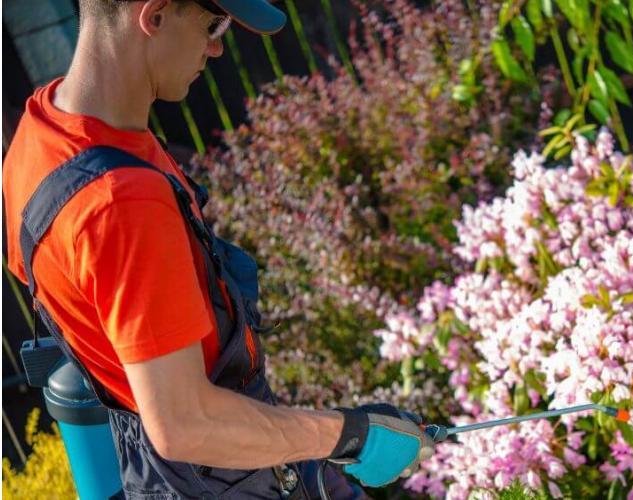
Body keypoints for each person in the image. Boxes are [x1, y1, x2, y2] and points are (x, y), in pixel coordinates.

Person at [2, 1, 434, 498]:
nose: (216, 46)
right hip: (215, 478)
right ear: (155, 14)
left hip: (174, 462)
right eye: (213, 24)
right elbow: (185, 423)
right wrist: (352, 434)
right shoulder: (120, 202)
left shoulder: (43, 130)